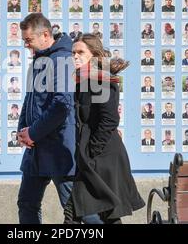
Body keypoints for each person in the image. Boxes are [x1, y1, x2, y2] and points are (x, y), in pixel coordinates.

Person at [16, 14, 102, 224]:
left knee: (76, 208)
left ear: (45, 35)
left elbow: (62, 105)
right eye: (24, 41)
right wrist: (22, 132)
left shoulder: (63, 59)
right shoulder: (39, 59)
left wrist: (33, 132)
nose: (26, 45)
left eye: (29, 40)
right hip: (35, 150)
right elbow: (30, 99)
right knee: (27, 204)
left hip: (58, 150)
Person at [64, 34, 145, 224]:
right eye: (73, 53)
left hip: (104, 157)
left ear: (94, 55)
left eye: (80, 52)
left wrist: (92, 150)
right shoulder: (81, 81)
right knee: (95, 212)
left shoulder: (102, 80)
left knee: (86, 211)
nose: (75, 56)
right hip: (91, 156)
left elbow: (109, 119)